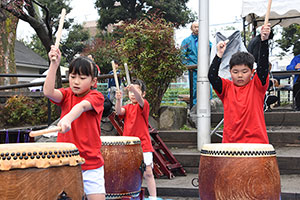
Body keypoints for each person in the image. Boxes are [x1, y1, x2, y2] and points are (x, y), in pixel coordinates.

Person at [44, 45, 105, 200]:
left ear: (94, 81)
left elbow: (82, 106)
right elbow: (48, 92)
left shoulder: (97, 96)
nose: (76, 82)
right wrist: (54, 65)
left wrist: (68, 118)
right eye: (72, 77)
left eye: (82, 78)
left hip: (90, 163)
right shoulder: (66, 94)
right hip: (65, 161)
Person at [208, 23, 271, 144]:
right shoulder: (226, 88)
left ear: (252, 72)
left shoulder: (257, 86)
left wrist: (264, 42)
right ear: (230, 72)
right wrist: (219, 55)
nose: (240, 75)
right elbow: (212, 76)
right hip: (231, 143)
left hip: (256, 144)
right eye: (235, 71)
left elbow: (263, 67)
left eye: (244, 71)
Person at [115, 79, 157, 200]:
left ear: (143, 93)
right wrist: (118, 100)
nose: (133, 94)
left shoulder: (144, 105)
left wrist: (133, 89)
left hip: (143, 144)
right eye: (131, 92)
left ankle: (153, 197)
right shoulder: (127, 107)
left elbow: (140, 100)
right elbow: (118, 112)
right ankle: (132, 195)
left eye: (136, 91)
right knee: (129, 172)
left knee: (148, 172)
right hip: (128, 145)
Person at [181, 22, 212, 107]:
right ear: (191, 28)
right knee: (194, 88)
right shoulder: (186, 41)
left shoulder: (205, 40)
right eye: (195, 27)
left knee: (207, 87)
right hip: (193, 70)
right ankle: (195, 106)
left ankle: (209, 104)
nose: (197, 29)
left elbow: (211, 50)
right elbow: (182, 55)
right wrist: (189, 65)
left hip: (205, 68)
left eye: (198, 27)